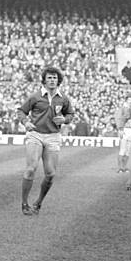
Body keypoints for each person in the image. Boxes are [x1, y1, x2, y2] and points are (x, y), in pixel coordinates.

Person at [17, 66, 75, 216]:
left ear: (58, 81)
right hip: (35, 134)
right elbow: (21, 111)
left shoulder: (63, 98)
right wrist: (26, 122)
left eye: (55, 78)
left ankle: (38, 203)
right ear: (44, 80)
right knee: (31, 168)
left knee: (50, 174)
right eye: (49, 77)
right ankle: (24, 204)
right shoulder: (35, 97)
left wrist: (65, 119)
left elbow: (70, 114)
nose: (52, 80)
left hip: (53, 137)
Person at [114, 100, 131, 173]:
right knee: (122, 149)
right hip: (125, 129)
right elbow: (120, 119)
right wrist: (120, 129)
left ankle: (124, 167)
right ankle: (120, 168)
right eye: (129, 102)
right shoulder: (123, 109)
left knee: (128, 151)